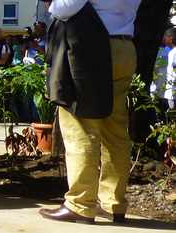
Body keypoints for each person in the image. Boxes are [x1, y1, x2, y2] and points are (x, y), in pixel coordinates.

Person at [39, 0, 140, 224]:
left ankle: (80, 204)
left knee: (80, 126)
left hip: (92, 48)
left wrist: (51, 4)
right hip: (124, 46)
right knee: (115, 131)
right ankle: (113, 203)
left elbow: (66, 6)